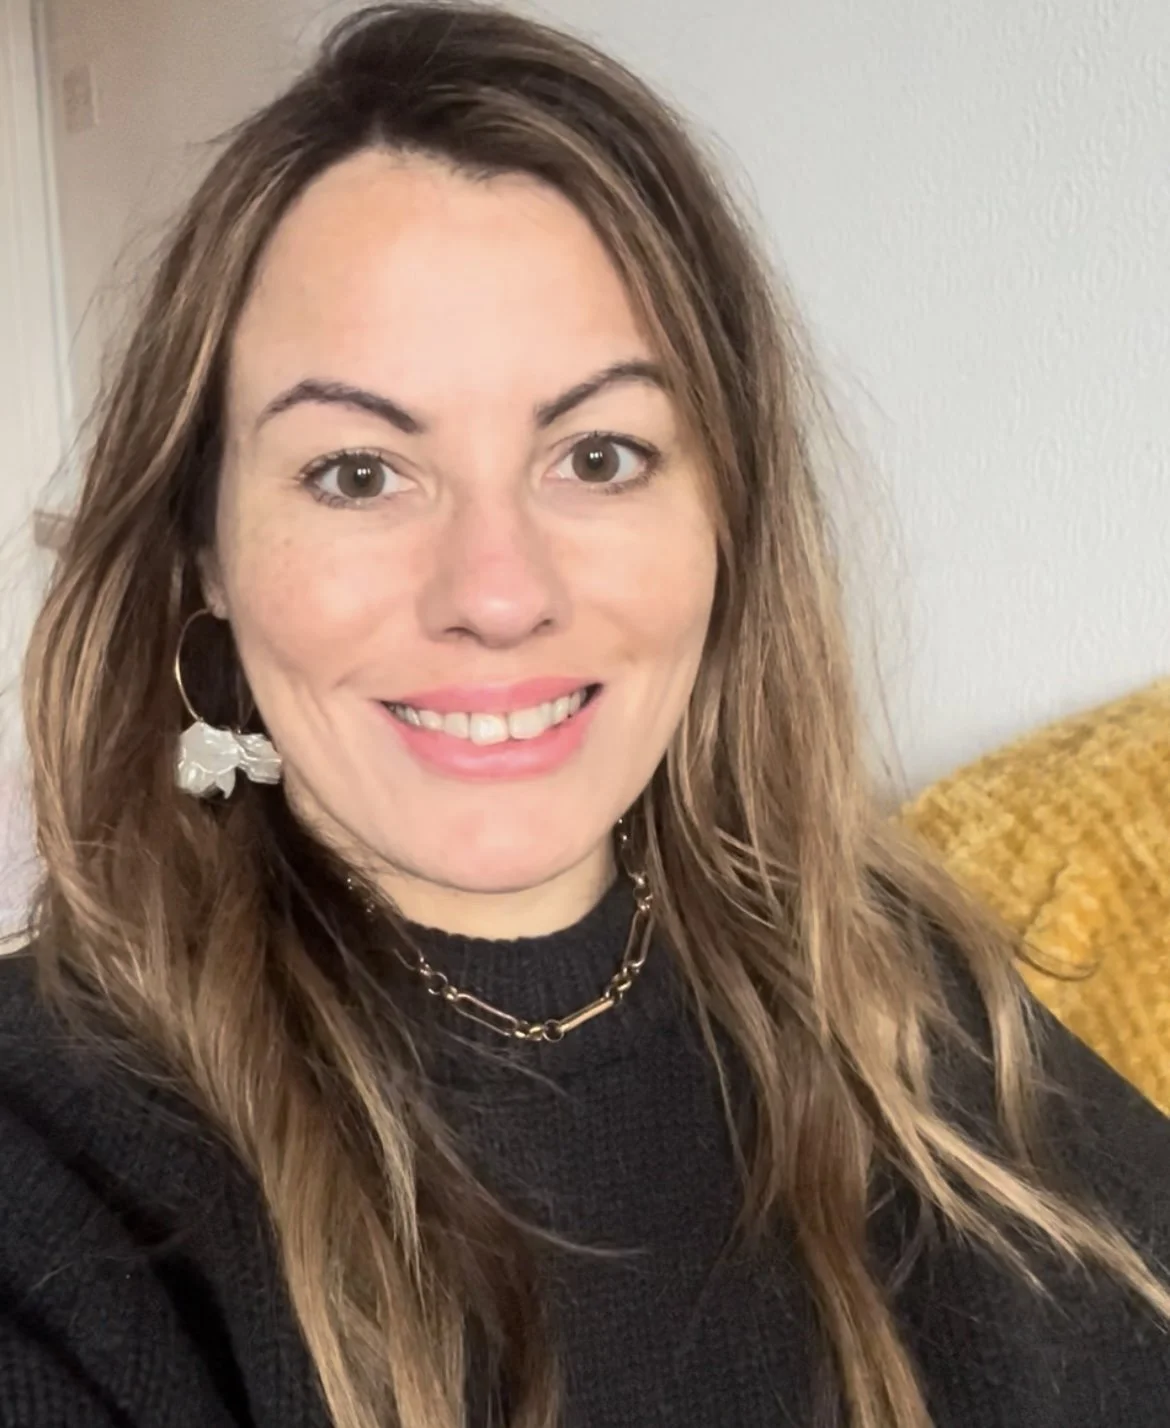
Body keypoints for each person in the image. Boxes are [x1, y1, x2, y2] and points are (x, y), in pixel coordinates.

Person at [1, 5, 1167, 1427]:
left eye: (599, 453)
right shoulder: (50, 1164)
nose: (498, 593)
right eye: (359, 473)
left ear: (725, 523)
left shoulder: (920, 1007)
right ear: (207, 558)